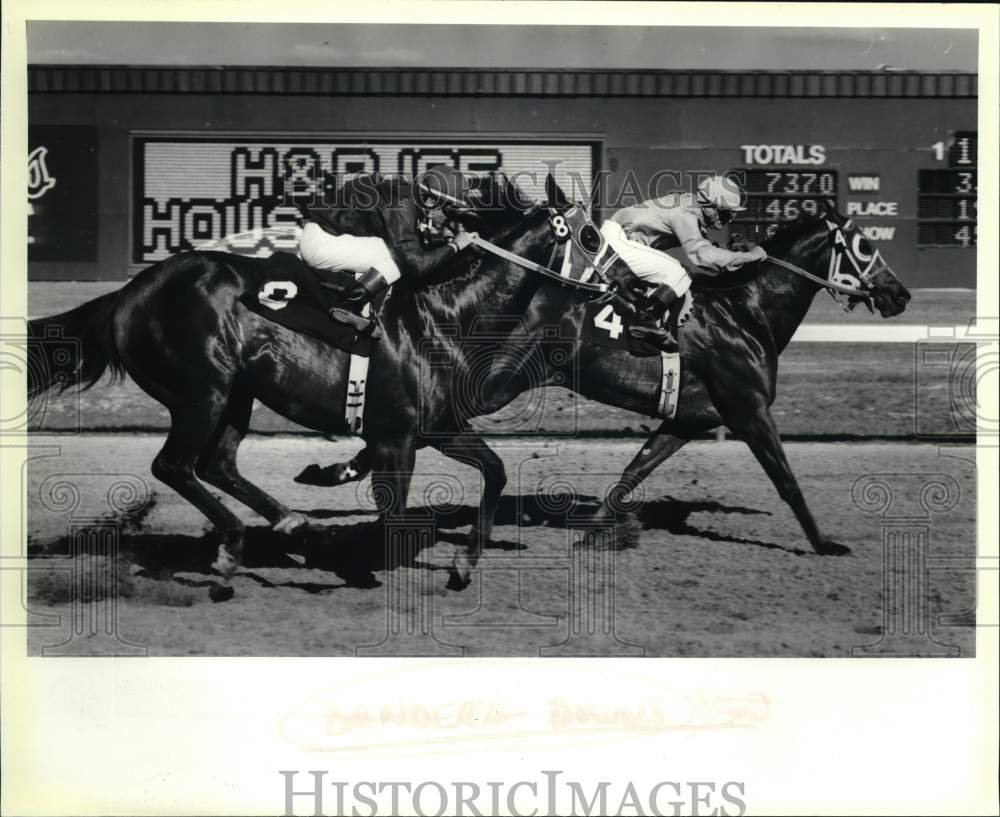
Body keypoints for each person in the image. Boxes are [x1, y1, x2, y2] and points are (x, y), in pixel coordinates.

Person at [298, 165, 480, 331]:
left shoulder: (408, 197)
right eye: (449, 210)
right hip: (322, 242)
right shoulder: (403, 203)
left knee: (399, 253)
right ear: (432, 202)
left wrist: (446, 245)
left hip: (327, 236)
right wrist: (456, 245)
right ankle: (347, 304)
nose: (449, 217)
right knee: (400, 257)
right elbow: (418, 264)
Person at [601, 174, 767, 347]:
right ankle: (643, 321)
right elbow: (704, 257)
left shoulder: (689, 207)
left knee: (675, 276)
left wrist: (730, 249)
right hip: (616, 242)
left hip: (616, 239)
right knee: (680, 274)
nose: (730, 219)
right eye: (726, 213)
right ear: (709, 207)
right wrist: (750, 256)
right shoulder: (685, 213)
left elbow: (710, 254)